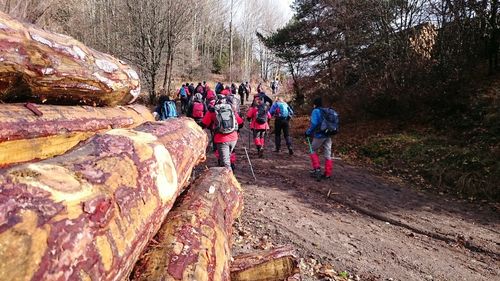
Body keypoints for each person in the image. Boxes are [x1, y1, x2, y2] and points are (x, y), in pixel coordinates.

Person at [201, 97, 244, 170]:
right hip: (234, 138)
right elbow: (241, 123)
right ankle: (232, 164)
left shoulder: (212, 111)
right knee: (229, 154)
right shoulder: (231, 110)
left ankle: (228, 177)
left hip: (221, 139)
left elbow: (203, 124)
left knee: (225, 164)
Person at [305, 97, 334, 181]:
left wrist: (308, 132)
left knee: (312, 150)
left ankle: (316, 169)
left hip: (319, 135)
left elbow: (314, 124)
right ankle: (328, 173)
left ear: (315, 104)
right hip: (328, 134)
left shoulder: (316, 111)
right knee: (327, 154)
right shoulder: (326, 110)